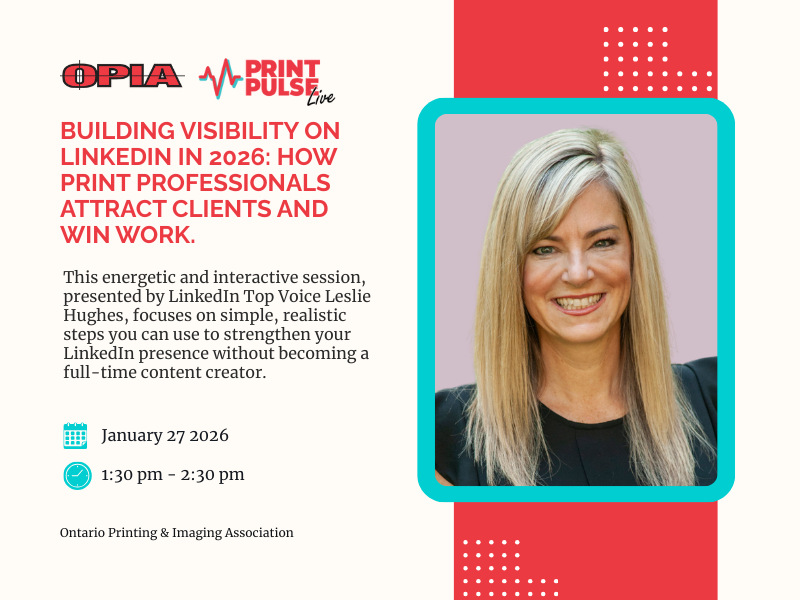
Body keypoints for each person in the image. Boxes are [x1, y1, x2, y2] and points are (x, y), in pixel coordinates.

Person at [435, 128, 716, 486]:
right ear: (510, 268)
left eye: (602, 242)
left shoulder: (721, 397)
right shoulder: (440, 438)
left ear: (633, 251)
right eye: (545, 249)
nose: (579, 273)